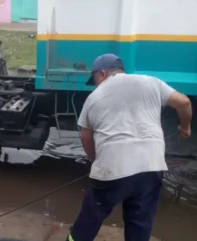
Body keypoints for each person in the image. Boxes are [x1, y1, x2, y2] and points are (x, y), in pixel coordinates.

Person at [67, 54, 192, 241]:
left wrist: (95, 160)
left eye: (94, 79)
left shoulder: (94, 98)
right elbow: (184, 102)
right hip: (151, 167)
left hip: (111, 170)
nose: (95, 85)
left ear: (102, 73)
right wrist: (185, 126)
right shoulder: (151, 82)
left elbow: (86, 137)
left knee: (88, 222)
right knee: (139, 225)